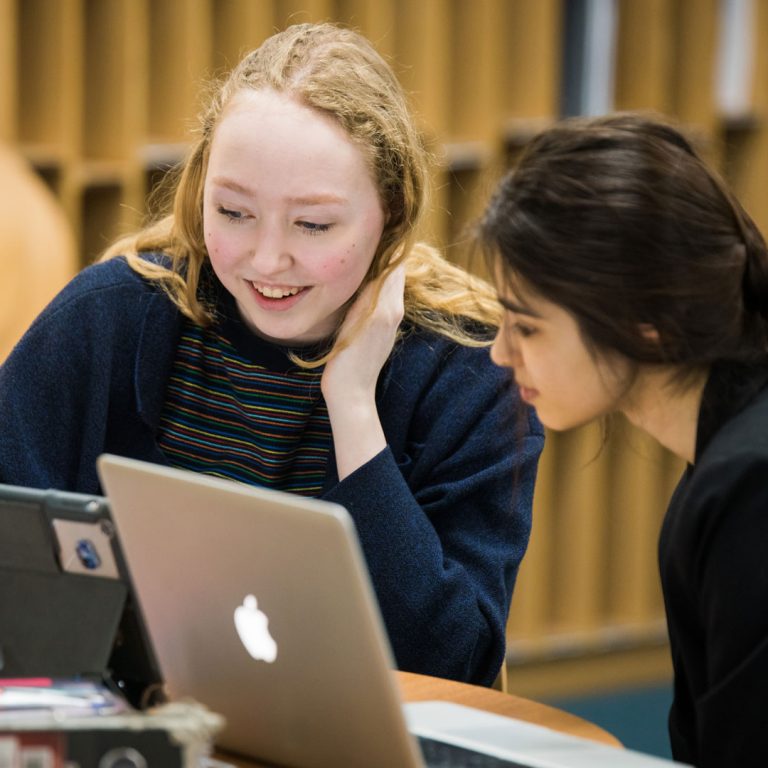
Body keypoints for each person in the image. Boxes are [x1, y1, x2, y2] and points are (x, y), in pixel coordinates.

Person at [0, 22, 543, 687]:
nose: (266, 260)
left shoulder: (469, 373)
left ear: (393, 214)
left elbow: (452, 665)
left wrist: (353, 410)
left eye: (313, 225)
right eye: (232, 212)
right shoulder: (107, 318)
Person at [478, 111, 768, 766]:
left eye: (525, 327)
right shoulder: (720, 465)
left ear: (647, 324)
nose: (499, 354)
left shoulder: (749, 483)